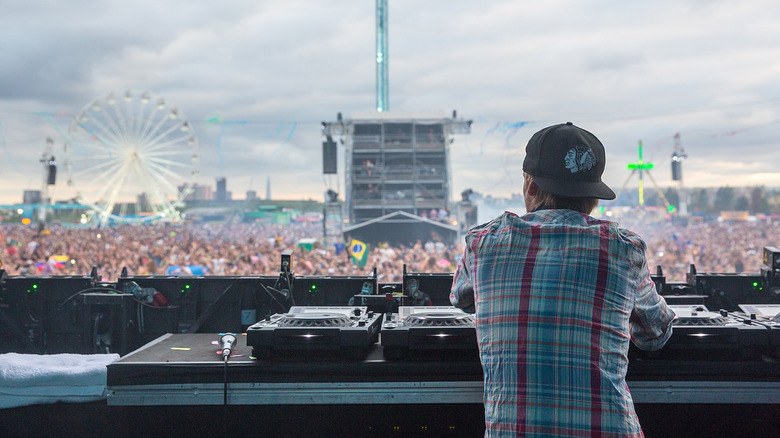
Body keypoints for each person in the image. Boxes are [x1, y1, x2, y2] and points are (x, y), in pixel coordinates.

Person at [451, 122, 675, 437]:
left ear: (530, 186)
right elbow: (656, 333)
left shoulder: (484, 243)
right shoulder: (624, 249)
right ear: (594, 197)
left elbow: (461, 297)